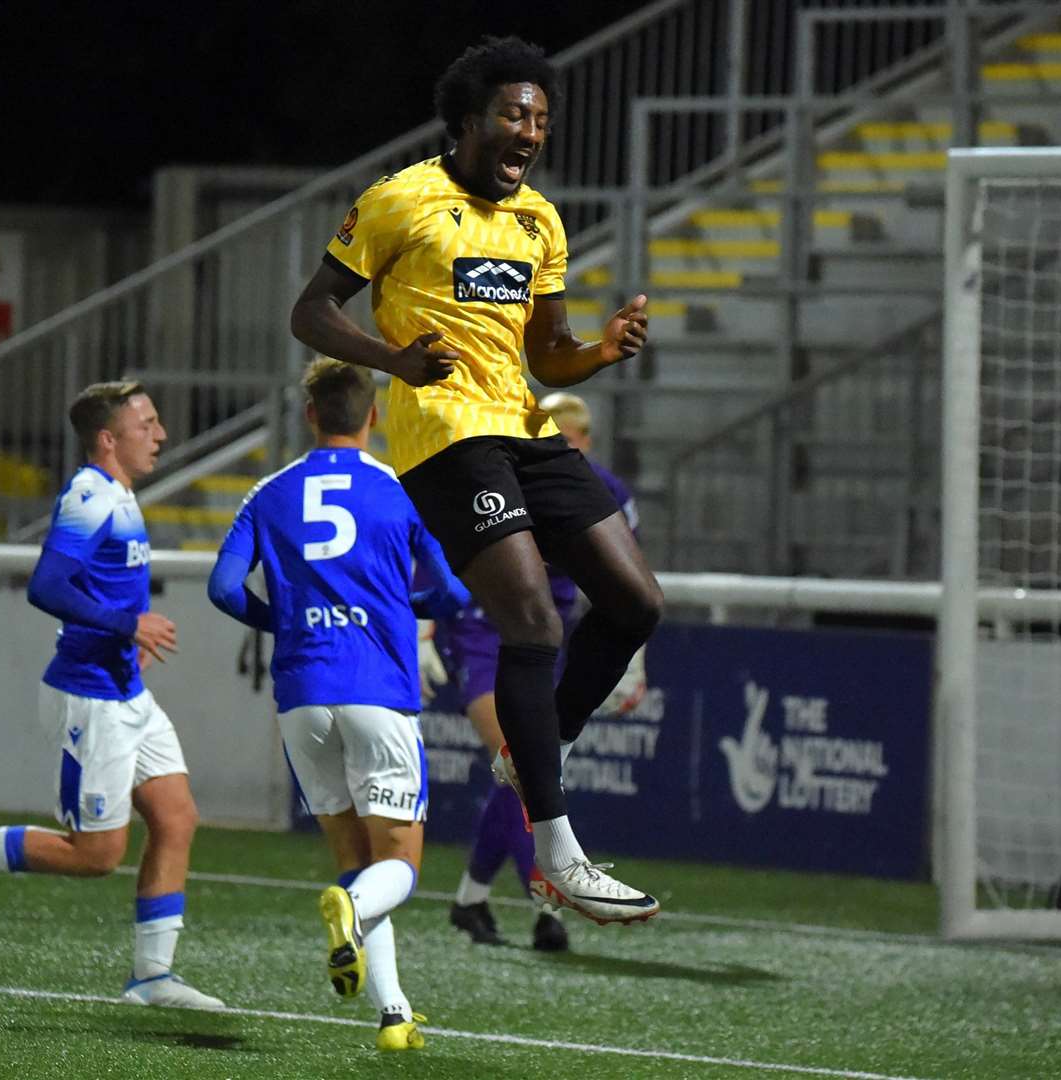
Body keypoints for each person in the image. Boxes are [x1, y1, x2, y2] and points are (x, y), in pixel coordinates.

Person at [290, 35, 663, 925]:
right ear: (466, 122)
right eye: (512, 114)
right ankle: (559, 851)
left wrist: (601, 352)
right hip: (445, 433)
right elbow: (310, 311)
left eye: (539, 117)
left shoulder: (540, 219)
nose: (529, 129)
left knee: (635, 603)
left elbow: (547, 355)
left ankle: (534, 753)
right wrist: (394, 362)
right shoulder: (399, 200)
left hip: (524, 425)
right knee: (534, 623)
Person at [0, 381, 223, 1011]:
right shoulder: (89, 496)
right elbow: (46, 584)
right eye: (147, 424)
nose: (160, 434)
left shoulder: (121, 496)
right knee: (96, 855)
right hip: (89, 697)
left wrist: (126, 633)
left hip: (127, 692)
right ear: (109, 438)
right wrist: (128, 625)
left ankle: (151, 976)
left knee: (177, 817)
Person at [207, 357, 469, 1053]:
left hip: (302, 698)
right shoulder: (401, 490)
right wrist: (396, 608)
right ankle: (349, 913)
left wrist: (284, 621)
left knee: (356, 861)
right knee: (398, 869)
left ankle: (394, 1015)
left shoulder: (269, 492)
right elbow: (451, 594)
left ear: (310, 414)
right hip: (379, 691)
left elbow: (223, 587)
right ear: (373, 415)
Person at [442, 391, 644, 949]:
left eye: (567, 437)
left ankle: (471, 898)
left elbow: (627, 580)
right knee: (526, 768)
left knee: (526, 771)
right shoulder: (495, 468)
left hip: (544, 639)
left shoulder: (602, 489)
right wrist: (426, 625)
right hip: (484, 632)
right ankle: (544, 902)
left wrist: (634, 659)